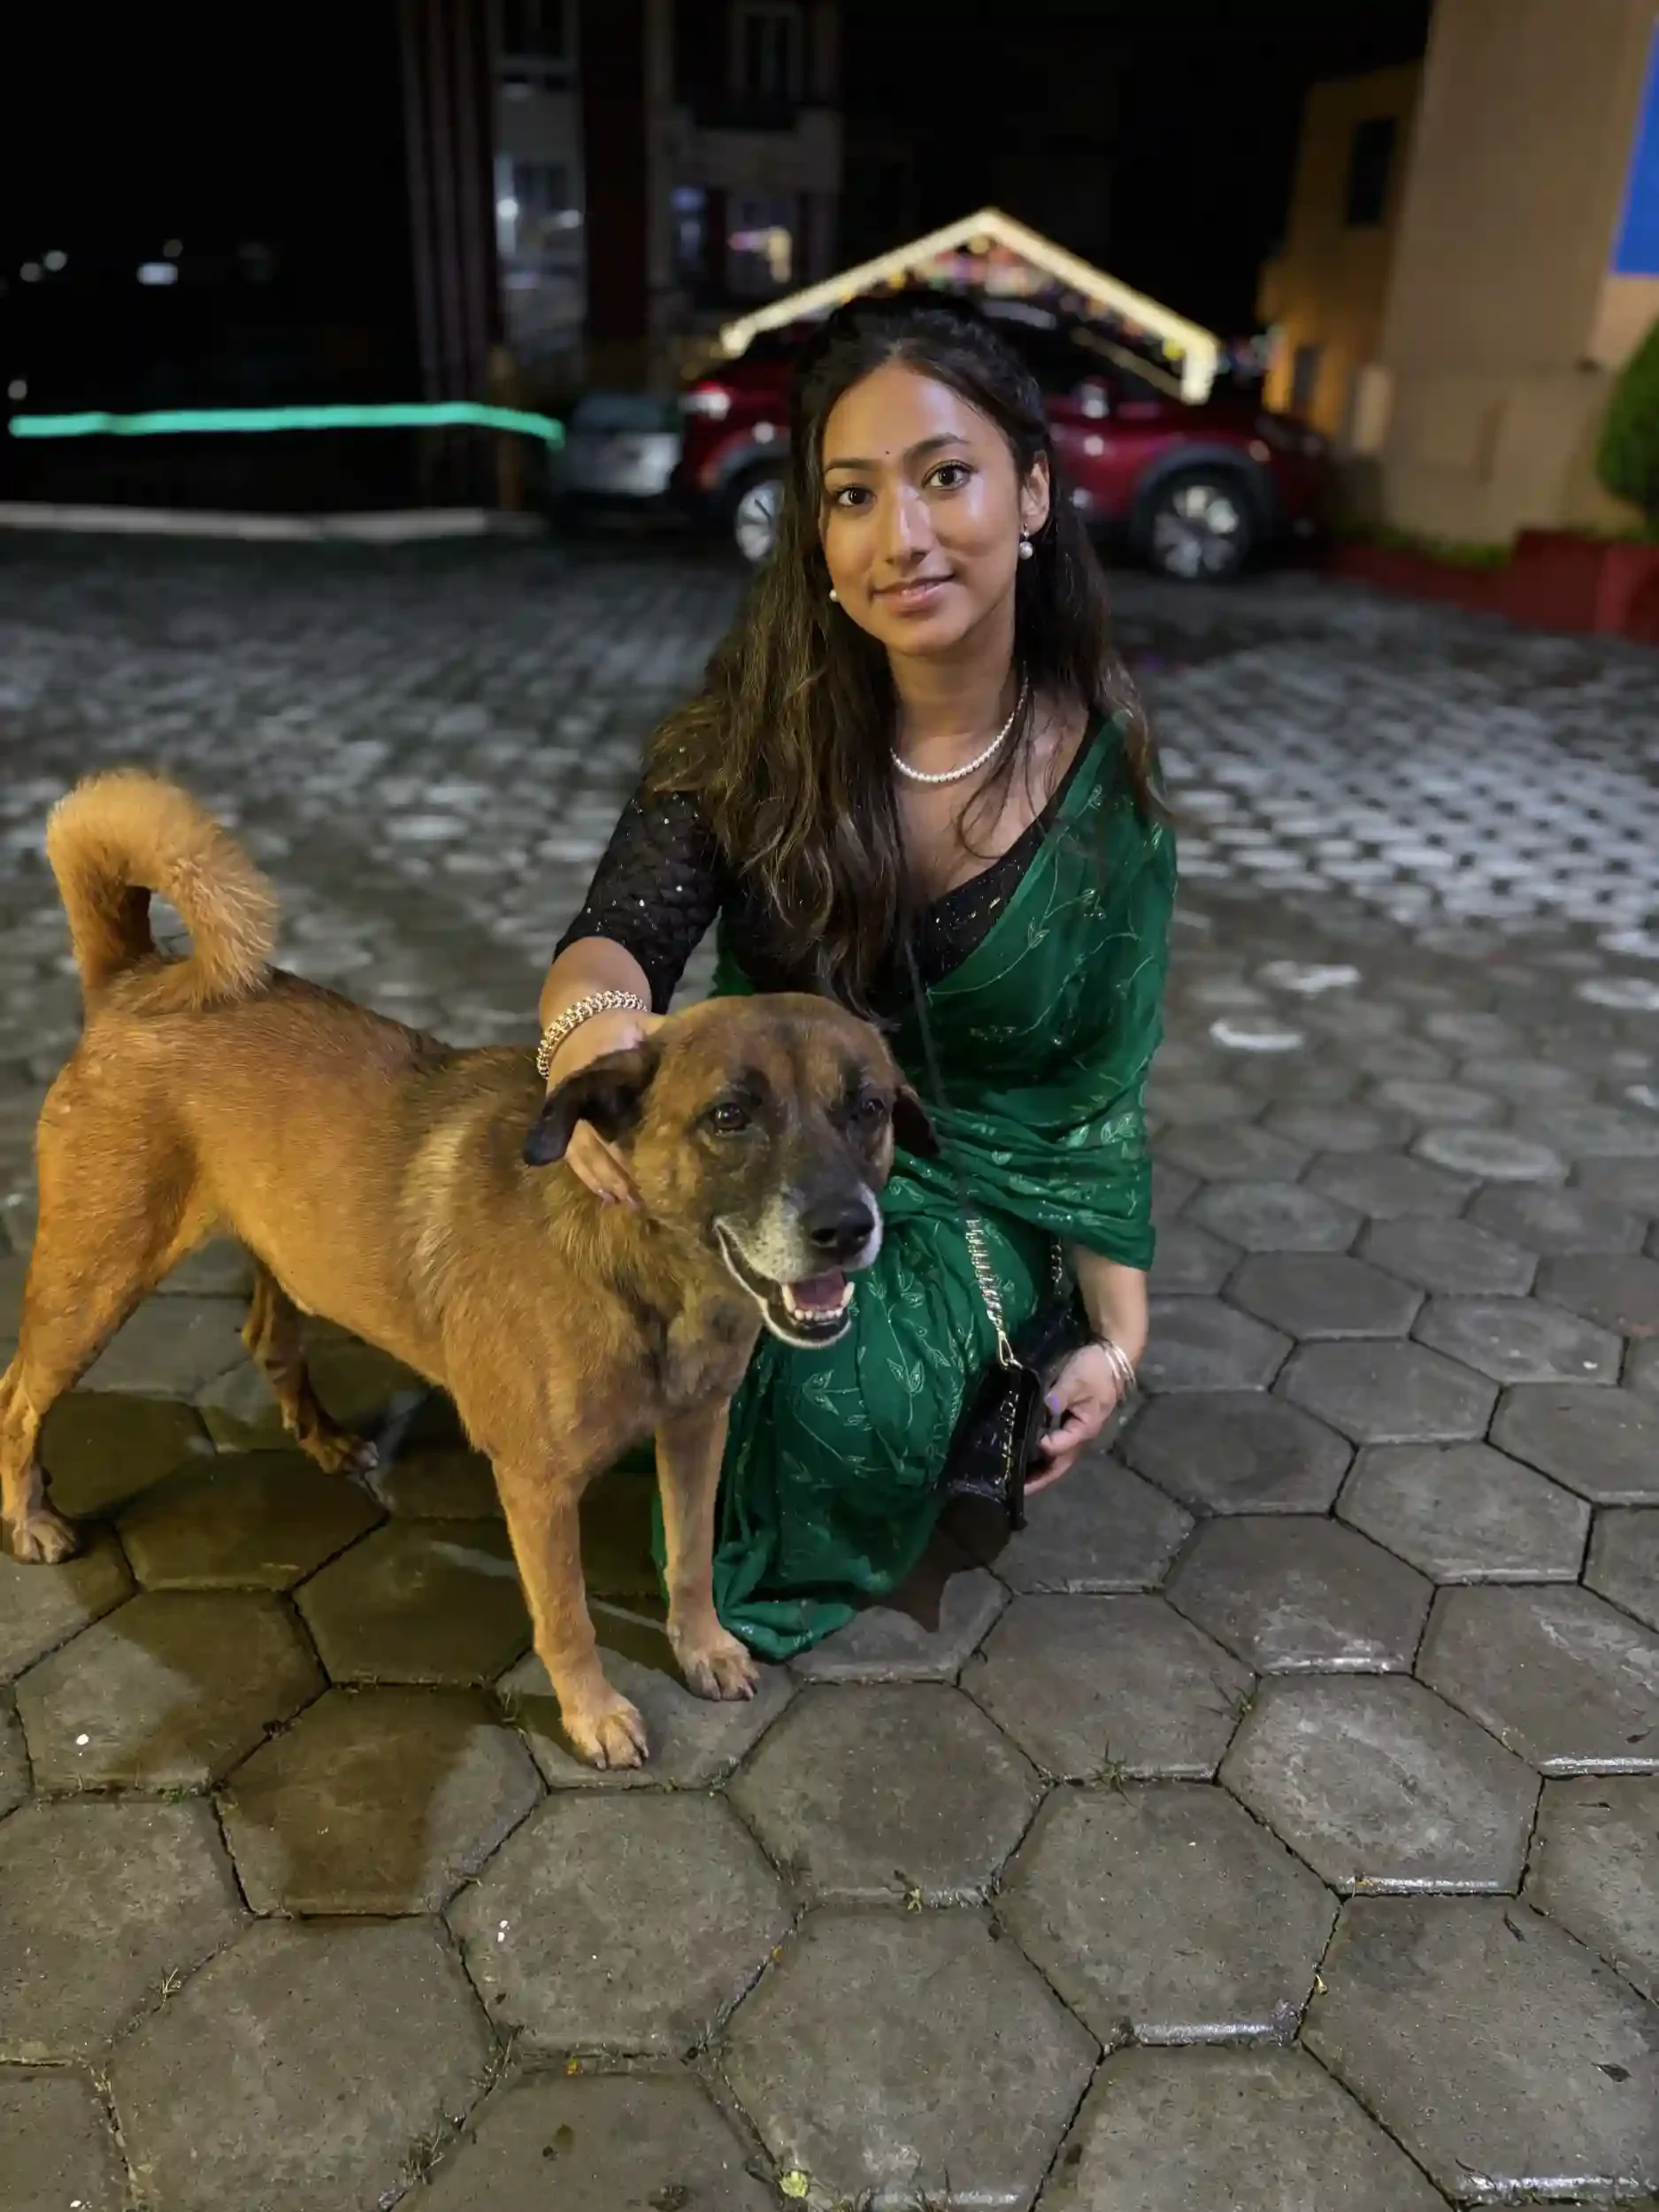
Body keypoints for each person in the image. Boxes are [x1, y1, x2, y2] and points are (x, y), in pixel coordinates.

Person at [535, 296, 1175, 1660]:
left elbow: (1093, 1084)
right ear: (817, 543)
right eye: (850, 494)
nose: (902, 535)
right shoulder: (750, 734)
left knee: (832, 1404)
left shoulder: (1099, 776)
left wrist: (1119, 1340)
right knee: (609, 1306)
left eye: (945, 476)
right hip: (765, 1136)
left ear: (1032, 495)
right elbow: (619, 934)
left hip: (981, 1165)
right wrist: (590, 1034)